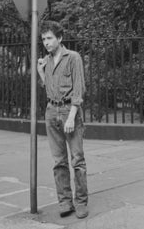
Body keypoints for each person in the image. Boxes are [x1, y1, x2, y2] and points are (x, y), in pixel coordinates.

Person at [37, 21, 89, 219]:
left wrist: (72, 116)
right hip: (51, 110)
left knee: (77, 160)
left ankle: (81, 202)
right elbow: (49, 88)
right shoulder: (47, 61)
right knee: (59, 161)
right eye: (43, 39)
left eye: (49, 38)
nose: (46, 43)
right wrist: (41, 72)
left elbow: (79, 88)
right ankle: (65, 201)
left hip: (69, 111)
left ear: (59, 38)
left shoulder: (73, 57)